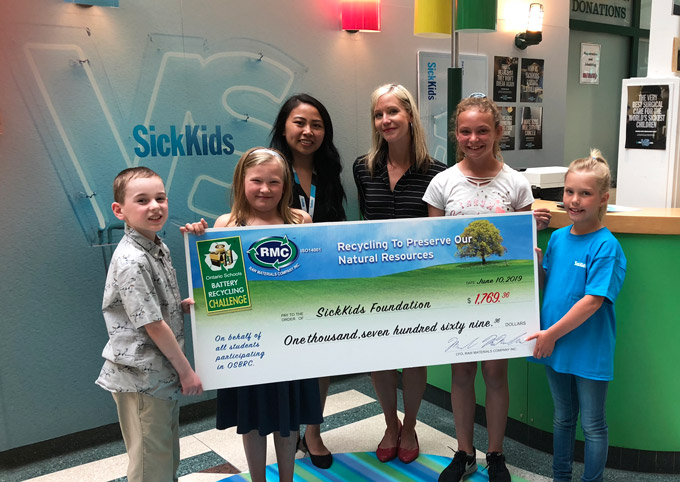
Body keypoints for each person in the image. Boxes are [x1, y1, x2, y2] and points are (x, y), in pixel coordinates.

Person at [422, 95, 551, 482]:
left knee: (495, 374)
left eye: (482, 130)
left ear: (498, 132)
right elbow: (434, 244)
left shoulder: (516, 183)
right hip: (456, 297)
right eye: (465, 131)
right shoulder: (442, 183)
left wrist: (532, 233)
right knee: (461, 372)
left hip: (501, 297)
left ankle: (495, 453)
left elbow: (520, 245)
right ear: (456, 134)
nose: (473, 138)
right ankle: (464, 452)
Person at [181, 147, 322, 482]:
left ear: (286, 184)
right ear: (241, 181)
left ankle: (286, 479)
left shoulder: (300, 221)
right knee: (254, 421)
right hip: (248, 347)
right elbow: (218, 282)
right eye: (256, 180)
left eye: (274, 182)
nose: (265, 189)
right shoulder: (225, 224)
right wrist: (200, 285)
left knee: (288, 422)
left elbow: (312, 275)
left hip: (290, 342)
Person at [353, 83, 447, 464]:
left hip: (417, 280)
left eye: (393, 111)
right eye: (379, 114)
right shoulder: (363, 168)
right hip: (375, 279)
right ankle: (389, 424)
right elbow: (365, 221)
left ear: (410, 115)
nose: (385, 120)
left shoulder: (437, 173)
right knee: (378, 355)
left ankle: (410, 426)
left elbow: (439, 232)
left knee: (413, 357)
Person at [96, 166, 204, 482]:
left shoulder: (157, 246)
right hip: (143, 378)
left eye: (160, 198)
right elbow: (153, 325)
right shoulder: (133, 259)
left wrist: (179, 307)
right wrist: (187, 371)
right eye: (142, 200)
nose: (154, 206)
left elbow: (151, 309)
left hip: (159, 375)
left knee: (164, 453)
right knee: (149, 464)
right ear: (119, 210)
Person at [527, 150, 626, 482]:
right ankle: (561, 476)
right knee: (563, 418)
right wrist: (535, 266)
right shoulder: (556, 238)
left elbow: (593, 302)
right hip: (555, 343)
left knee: (593, 424)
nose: (574, 200)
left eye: (585, 193)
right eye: (569, 192)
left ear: (602, 198)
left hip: (586, 347)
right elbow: (549, 286)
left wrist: (550, 334)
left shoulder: (606, 246)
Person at [269, 94, 346, 468]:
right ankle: (286, 432)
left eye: (316, 124)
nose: (308, 131)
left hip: (321, 283)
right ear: (283, 128)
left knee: (322, 360)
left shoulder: (329, 172)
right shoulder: (269, 170)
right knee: (287, 362)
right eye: (299, 122)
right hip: (280, 286)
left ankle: (313, 432)